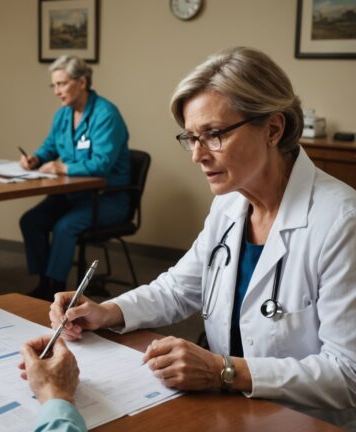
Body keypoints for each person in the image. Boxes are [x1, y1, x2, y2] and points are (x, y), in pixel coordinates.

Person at [33, 47, 356, 429]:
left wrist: (223, 371)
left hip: (304, 421)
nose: (197, 155)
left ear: (273, 129)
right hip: (229, 409)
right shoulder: (231, 203)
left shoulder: (341, 221)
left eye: (214, 134)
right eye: (191, 138)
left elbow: (348, 375)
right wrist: (106, 312)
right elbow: (179, 288)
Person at [19, 55, 131, 300]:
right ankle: (43, 281)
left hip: (107, 199)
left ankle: (55, 290)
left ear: (82, 82)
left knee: (64, 227)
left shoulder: (106, 114)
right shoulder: (63, 114)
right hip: (72, 195)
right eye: (54, 85)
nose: (57, 91)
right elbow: (50, 146)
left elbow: (101, 164)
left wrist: (62, 169)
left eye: (62, 84)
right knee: (31, 221)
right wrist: (35, 159)